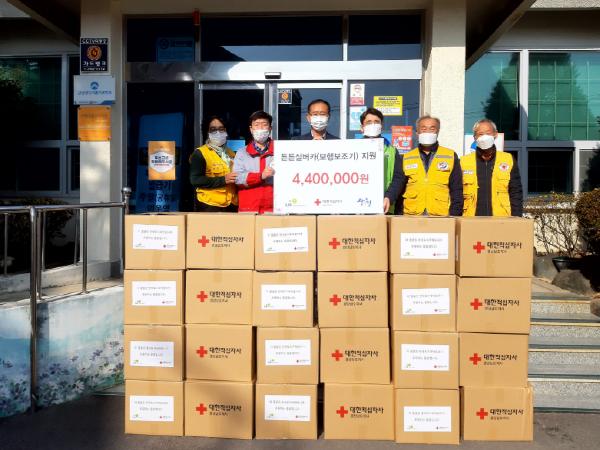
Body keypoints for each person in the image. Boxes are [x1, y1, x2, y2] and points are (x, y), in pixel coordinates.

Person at [383, 115, 463, 216]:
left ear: (438, 132)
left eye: (432, 129)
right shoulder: (406, 157)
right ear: (417, 133)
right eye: (423, 129)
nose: (427, 132)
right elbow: (398, 183)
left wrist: (454, 215)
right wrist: (389, 197)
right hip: (412, 216)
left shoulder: (450, 155)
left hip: (441, 216)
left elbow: (457, 189)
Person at [460, 119, 523, 216]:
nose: (484, 137)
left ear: (495, 134)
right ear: (475, 137)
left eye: (488, 133)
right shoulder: (463, 161)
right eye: (480, 134)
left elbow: (516, 192)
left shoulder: (508, 159)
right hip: (471, 218)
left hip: (501, 219)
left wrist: (516, 217)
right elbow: (457, 194)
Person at [189, 115, 238, 212]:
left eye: (221, 129)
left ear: (226, 131)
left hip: (231, 204)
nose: (218, 132)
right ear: (207, 132)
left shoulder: (231, 153)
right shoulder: (200, 153)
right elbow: (195, 180)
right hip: (210, 205)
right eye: (213, 129)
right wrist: (223, 180)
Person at [233, 110, 275, 214]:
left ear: (270, 128)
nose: (260, 128)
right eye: (256, 125)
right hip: (249, 208)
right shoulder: (242, 152)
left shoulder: (281, 151)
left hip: (273, 209)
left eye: (264, 124)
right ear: (251, 129)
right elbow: (237, 178)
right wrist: (260, 176)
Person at [359, 107, 398, 212]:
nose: (373, 125)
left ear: (381, 126)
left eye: (376, 122)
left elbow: (398, 178)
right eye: (369, 122)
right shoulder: (353, 149)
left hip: (384, 206)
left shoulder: (392, 150)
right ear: (362, 127)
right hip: (359, 206)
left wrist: (389, 197)